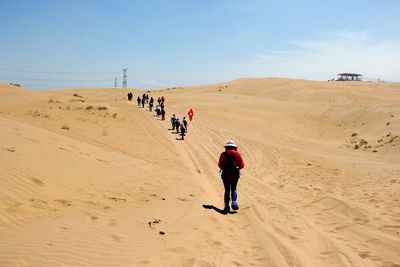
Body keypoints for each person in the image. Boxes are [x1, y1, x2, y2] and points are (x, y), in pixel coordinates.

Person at [218, 140, 244, 213]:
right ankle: (234, 202)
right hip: (235, 175)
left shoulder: (223, 154)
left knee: (227, 190)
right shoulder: (238, 154)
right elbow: (242, 165)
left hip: (225, 175)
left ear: (226, 147)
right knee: (234, 188)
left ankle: (226, 206)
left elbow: (220, 165)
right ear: (235, 148)